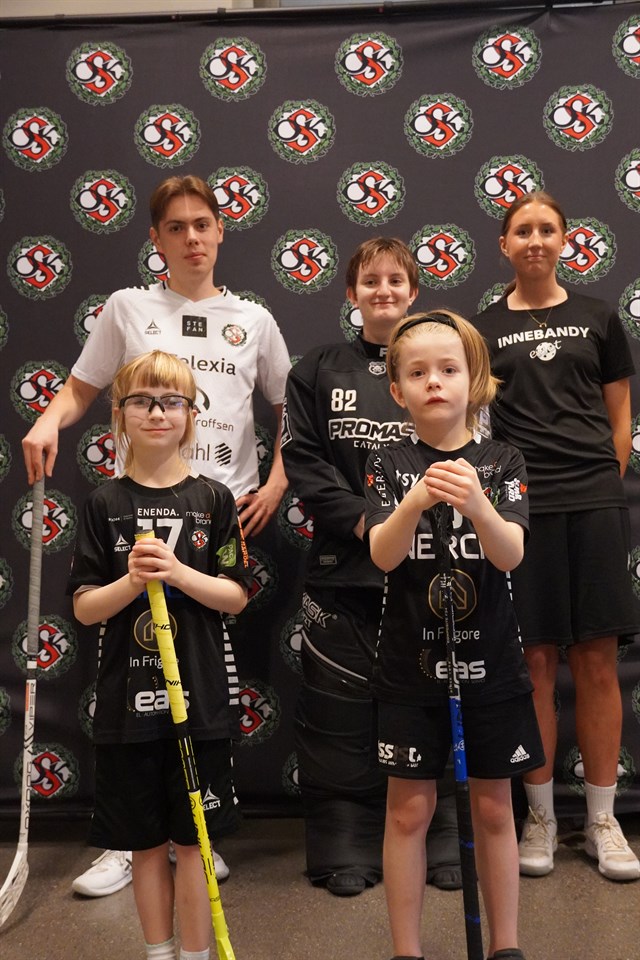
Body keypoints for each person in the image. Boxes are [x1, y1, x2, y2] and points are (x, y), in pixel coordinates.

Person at [21, 174, 291, 896]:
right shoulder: (128, 307)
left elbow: (288, 405)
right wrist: (48, 419)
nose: (192, 237)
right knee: (127, 667)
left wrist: (277, 481)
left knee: (209, 676)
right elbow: (82, 386)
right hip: (135, 511)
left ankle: (197, 830)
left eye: (203, 224)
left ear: (221, 231)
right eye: (177, 227)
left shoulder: (253, 319)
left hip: (215, 513)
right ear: (156, 239)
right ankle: (126, 838)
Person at [281, 238, 462, 897]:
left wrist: (415, 526)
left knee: (433, 701)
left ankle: (443, 832)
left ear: (414, 291)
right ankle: (344, 840)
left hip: (429, 568)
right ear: (350, 293)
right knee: (339, 711)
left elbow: (467, 446)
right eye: (370, 280)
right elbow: (303, 462)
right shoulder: (316, 369)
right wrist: (369, 522)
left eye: (395, 280)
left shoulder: (440, 362)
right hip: (344, 570)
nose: (383, 290)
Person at [364, 309, 544, 960]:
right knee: (408, 811)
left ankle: (506, 946)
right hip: (410, 666)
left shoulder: (502, 460)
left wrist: (477, 505)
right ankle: (406, 949)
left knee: (495, 809)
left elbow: (510, 554)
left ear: (476, 381)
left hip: (490, 662)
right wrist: (414, 501)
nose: (434, 381)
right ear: (397, 390)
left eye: (448, 369)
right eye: (417, 373)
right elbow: (383, 555)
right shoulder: (388, 462)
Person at [473, 191, 640, 883]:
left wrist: (602, 481)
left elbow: (620, 418)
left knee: (597, 661)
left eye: (547, 229)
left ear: (566, 240)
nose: (535, 240)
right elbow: (480, 426)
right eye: (523, 231)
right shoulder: (483, 329)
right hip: (524, 511)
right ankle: (539, 818)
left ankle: (603, 821)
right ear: (505, 245)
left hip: (594, 503)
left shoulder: (599, 316)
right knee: (535, 663)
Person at [68, 350, 251, 960]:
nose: (156, 412)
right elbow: (85, 609)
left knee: (194, 844)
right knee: (145, 845)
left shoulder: (214, 499)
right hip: (128, 708)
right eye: (142, 401)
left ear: (191, 414)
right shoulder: (102, 503)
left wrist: (176, 572)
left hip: (200, 706)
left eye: (171, 401)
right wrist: (130, 581)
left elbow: (235, 596)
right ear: (119, 414)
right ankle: (159, 953)